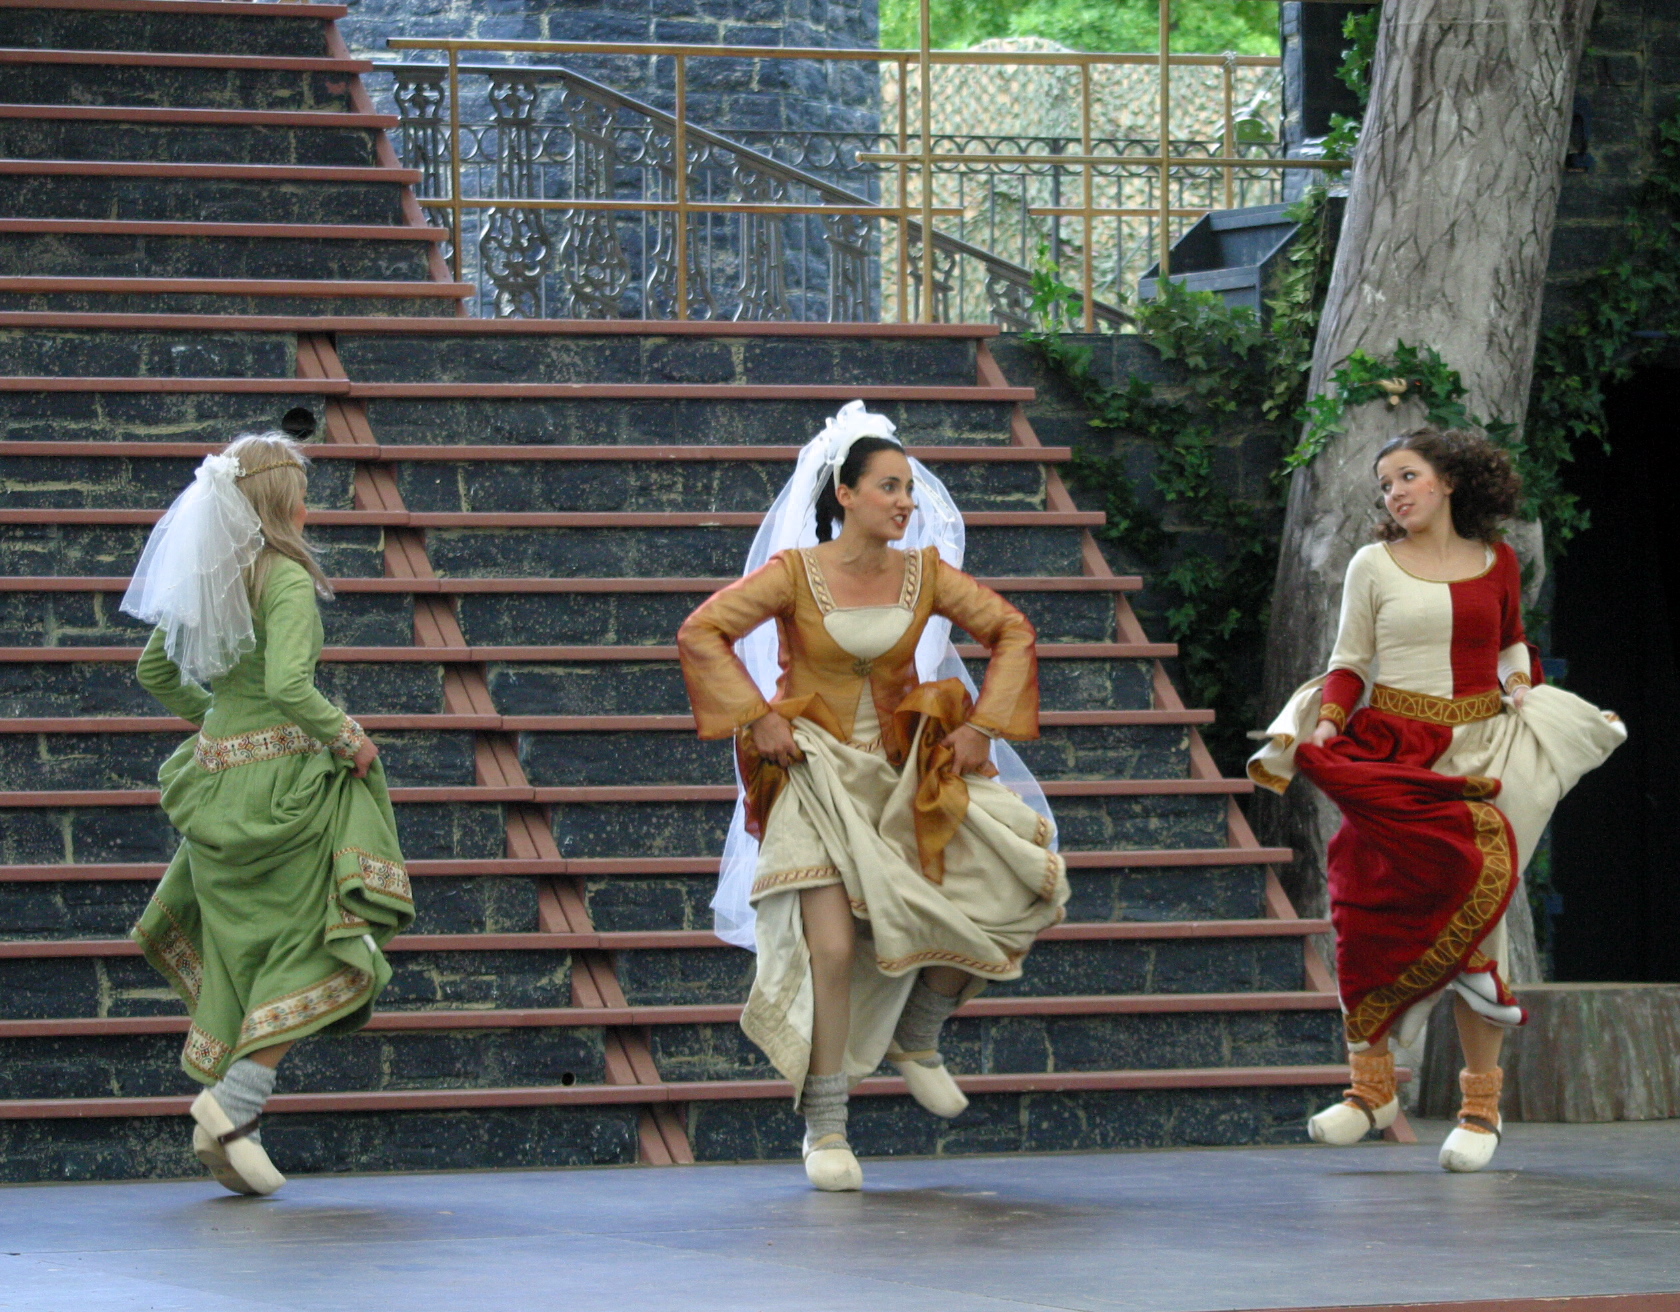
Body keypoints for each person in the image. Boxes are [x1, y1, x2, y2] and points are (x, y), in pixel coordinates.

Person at [677, 402, 1069, 1191]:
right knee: (829, 947)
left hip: (899, 774)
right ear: (845, 494)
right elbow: (701, 632)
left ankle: (917, 1031)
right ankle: (826, 1125)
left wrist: (983, 727)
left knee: (1024, 882)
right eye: (889, 487)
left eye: (909, 489)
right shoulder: (794, 573)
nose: (905, 502)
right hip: (813, 775)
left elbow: (1013, 632)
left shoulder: (925, 573)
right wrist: (757, 717)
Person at [1249, 425, 1624, 1172]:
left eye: (1407, 476)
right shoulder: (1372, 565)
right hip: (1395, 752)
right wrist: (1327, 723)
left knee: (1478, 913)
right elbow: (1350, 661)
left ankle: (1480, 1108)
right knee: (1365, 905)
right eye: (1385, 484)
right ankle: (1371, 1091)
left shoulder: (1498, 560)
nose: (1394, 493)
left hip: (1485, 751)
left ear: (1449, 480)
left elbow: (1512, 640)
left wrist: (1518, 683)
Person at [122, 432, 414, 1196]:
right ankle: (235, 1103)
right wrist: (348, 737)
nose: (309, 508)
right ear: (281, 504)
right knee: (317, 940)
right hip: (284, 793)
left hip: (218, 789)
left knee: (246, 952)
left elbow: (154, 669)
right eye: (302, 496)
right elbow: (288, 686)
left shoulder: (211, 577)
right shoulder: (285, 579)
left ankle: (234, 1123)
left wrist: (220, 724)